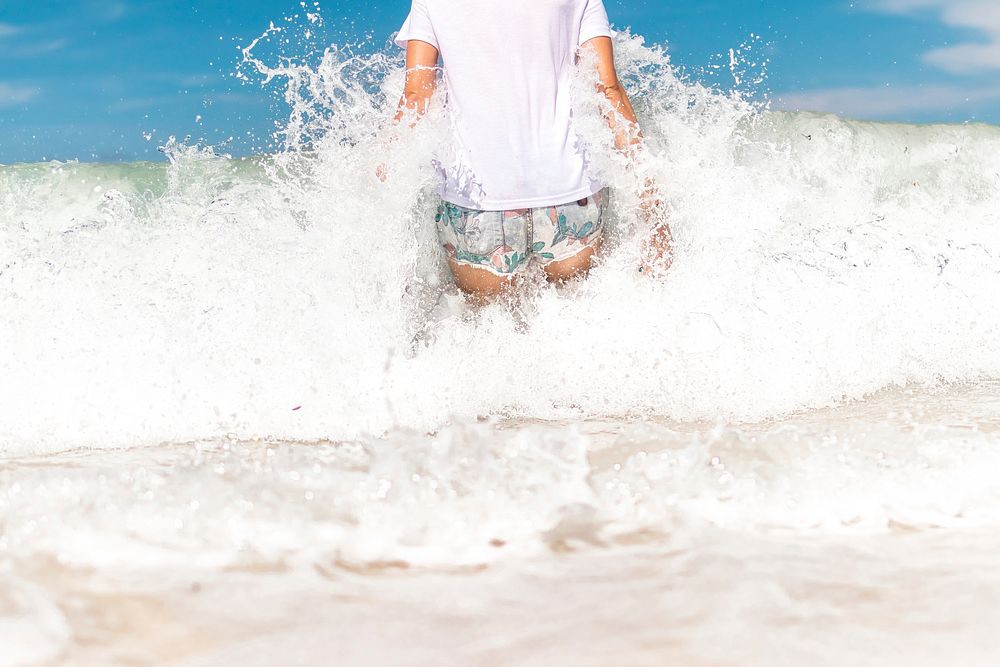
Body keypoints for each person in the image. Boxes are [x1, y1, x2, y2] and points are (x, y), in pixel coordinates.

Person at [391, 0, 672, 301]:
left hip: (478, 205)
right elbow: (606, 89)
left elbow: (417, 95)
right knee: (577, 320)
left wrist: (378, 175)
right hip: (570, 198)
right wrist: (651, 206)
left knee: (487, 332)